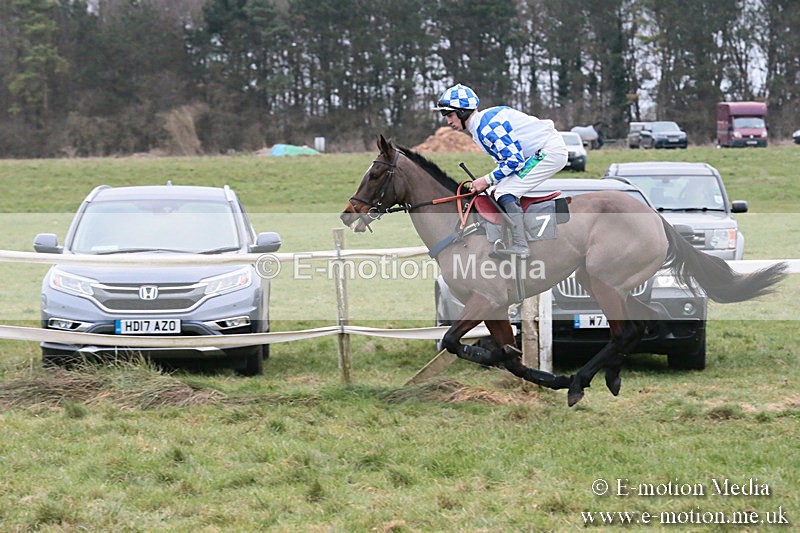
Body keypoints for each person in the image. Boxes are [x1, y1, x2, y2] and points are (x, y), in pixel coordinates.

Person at [434, 83, 567, 257]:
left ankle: (521, 245)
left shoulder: (487, 126)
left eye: (450, 115)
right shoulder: (479, 129)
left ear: (463, 112)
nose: (449, 122)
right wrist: (488, 182)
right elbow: (506, 162)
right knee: (496, 190)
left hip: (549, 151)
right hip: (539, 151)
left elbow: (515, 161)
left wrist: (486, 180)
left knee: (505, 191)